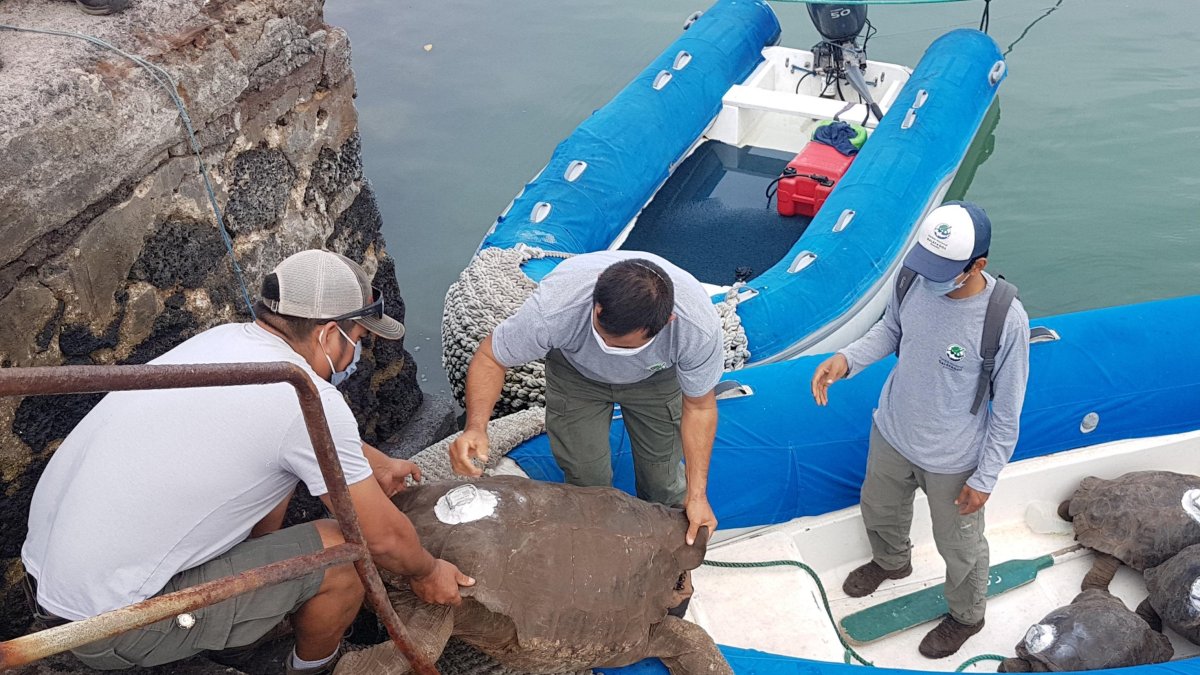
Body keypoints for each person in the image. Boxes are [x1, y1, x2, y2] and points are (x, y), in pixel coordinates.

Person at [21, 250, 474, 674]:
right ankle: (312, 667)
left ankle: (243, 631)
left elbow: (275, 435)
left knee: (279, 484)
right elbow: (382, 538)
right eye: (358, 339)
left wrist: (368, 460)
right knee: (346, 552)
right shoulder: (303, 392)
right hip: (108, 626)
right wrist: (429, 572)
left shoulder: (221, 343)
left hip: (46, 586)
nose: (359, 353)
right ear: (330, 334)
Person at [810, 202, 1030, 659]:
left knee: (960, 545)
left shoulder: (1006, 320)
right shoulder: (912, 277)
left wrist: (985, 478)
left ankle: (968, 615)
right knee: (879, 506)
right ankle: (893, 562)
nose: (930, 276)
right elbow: (891, 330)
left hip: (954, 458)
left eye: (943, 270)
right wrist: (847, 359)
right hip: (892, 431)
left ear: (978, 265)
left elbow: (1007, 412)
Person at [448, 251, 723, 545]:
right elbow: (492, 356)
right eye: (601, 333)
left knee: (664, 479)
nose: (606, 347)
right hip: (576, 376)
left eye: (621, 345)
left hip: (654, 379)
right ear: (596, 302)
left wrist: (697, 496)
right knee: (585, 475)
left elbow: (700, 406)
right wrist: (476, 428)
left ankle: (665, 544)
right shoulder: (555, 308)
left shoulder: (696, 328)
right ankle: (598, 543)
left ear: (667, 322)